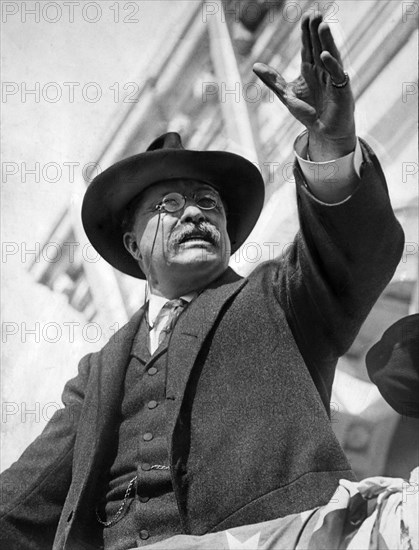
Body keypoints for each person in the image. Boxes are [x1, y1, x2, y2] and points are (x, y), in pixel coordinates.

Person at [0, 13, 404, 550]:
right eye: (170, 204)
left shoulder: (278, 300)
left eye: (208, 202)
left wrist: (333, 145)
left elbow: (353, 250)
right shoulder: (99, 373)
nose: (195, 213)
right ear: (132, 243)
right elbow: (22, 502)